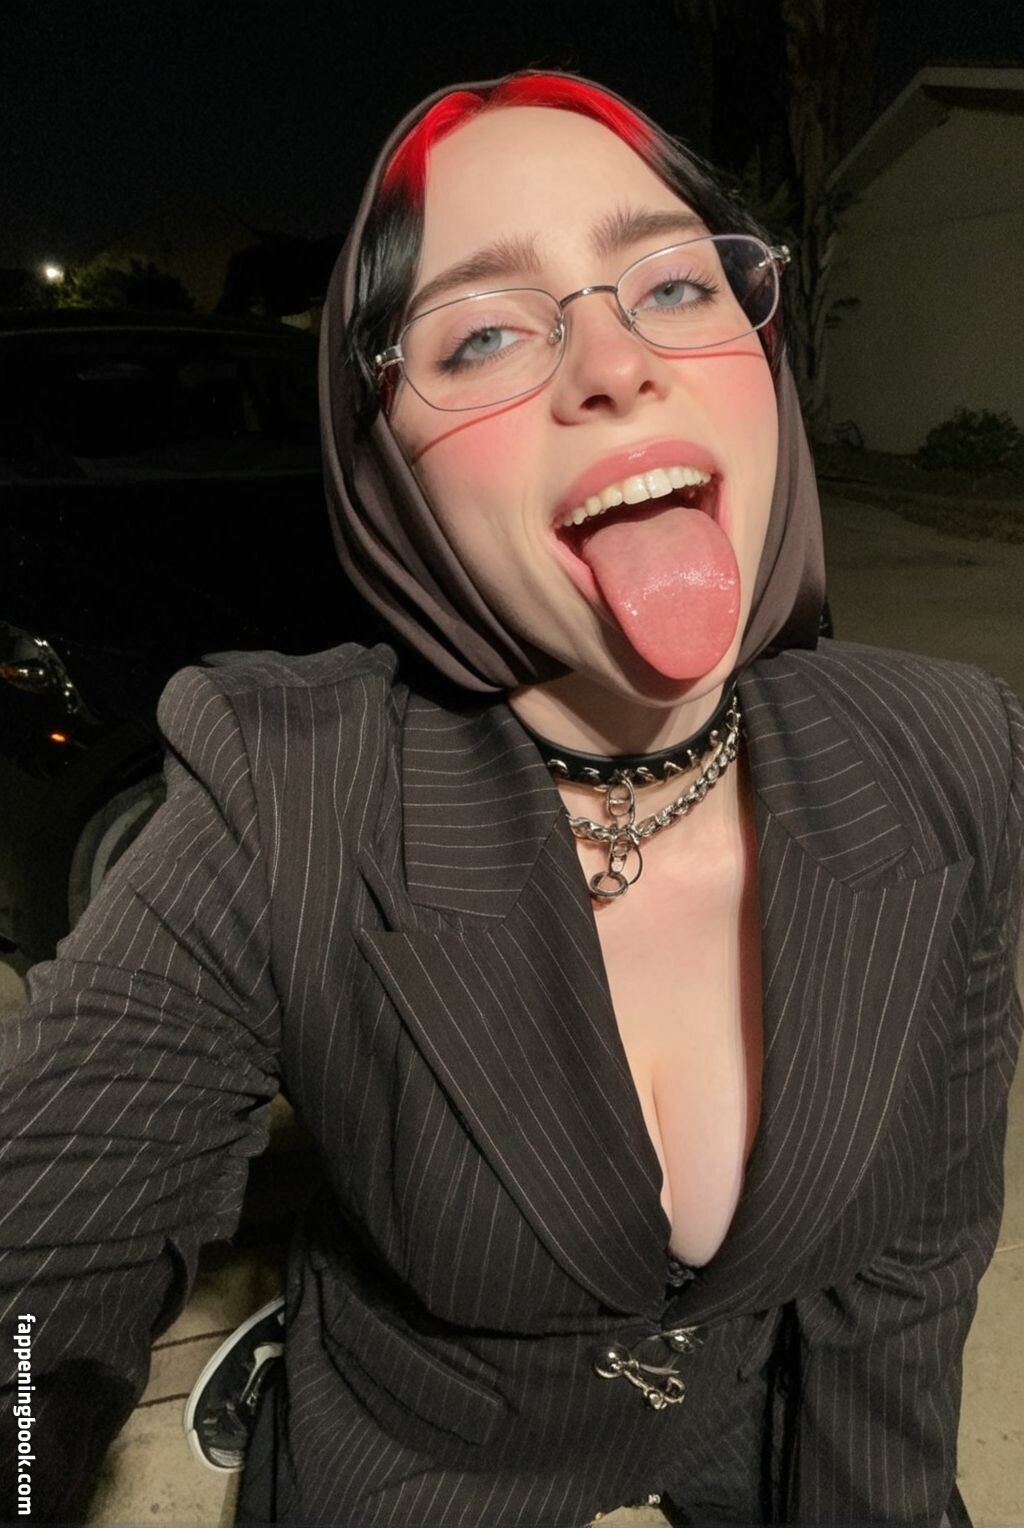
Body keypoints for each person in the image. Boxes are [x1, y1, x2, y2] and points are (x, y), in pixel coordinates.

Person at [1, 69, 1022, 1528]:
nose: (613, 360)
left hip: (747, 1417)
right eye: (482, 331)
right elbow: (39, 1269)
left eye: (675, 284)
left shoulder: (951, 752)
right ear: (390, 475)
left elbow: (911, 1271)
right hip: (425, 1449)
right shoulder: (285, 792)